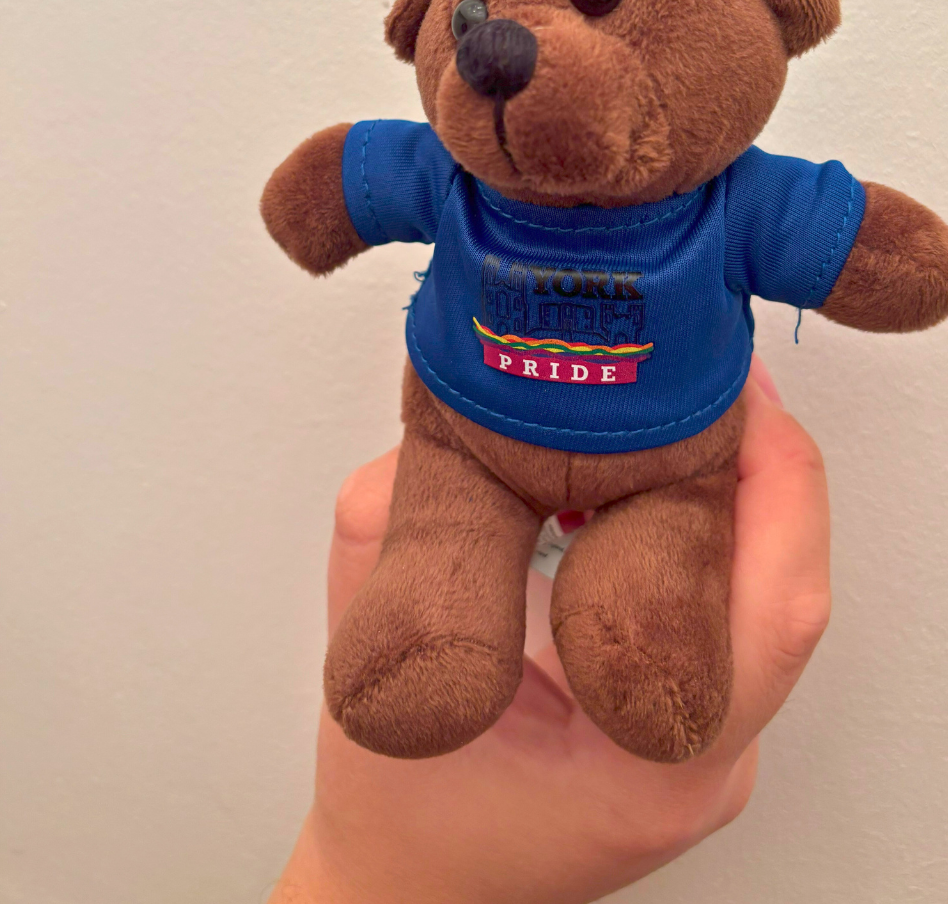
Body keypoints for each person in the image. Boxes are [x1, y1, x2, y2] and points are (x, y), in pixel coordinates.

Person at [269, 357, 830, 903]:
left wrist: (353, 871)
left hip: (663, 450)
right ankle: (432, 637)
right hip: (476, 434)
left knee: (653, 591)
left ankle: (635, 625)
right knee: (448, 530)